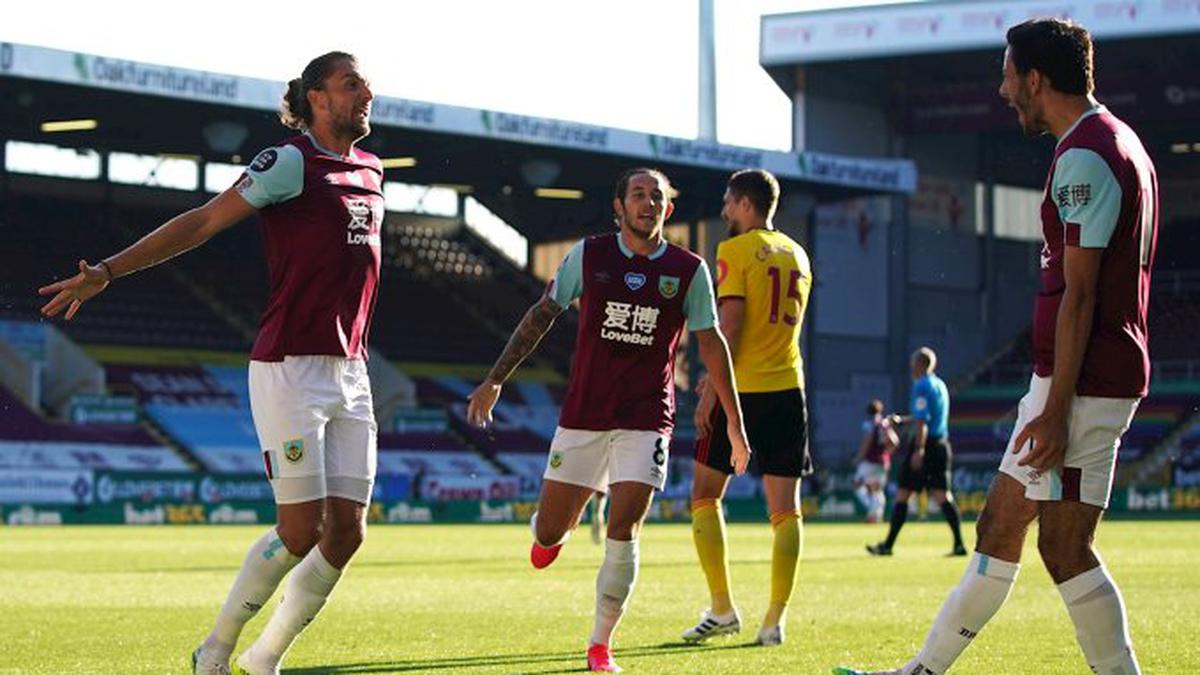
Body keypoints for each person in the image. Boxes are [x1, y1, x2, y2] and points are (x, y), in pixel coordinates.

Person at [40, 52, 384, 675]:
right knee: (301, 529)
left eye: (365, 83)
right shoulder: (288, 162)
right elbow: (202, 221)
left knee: (348, 534)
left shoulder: (371, 168)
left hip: (352, 372)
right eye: (350, 84)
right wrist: (108, 273)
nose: (367, 92)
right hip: (289, 367)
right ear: (315, 98)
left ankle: (262, 660)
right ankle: (216, 650)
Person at [836, 18, 1156, 675]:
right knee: (1066, 548)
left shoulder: (1087, 154)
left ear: (1035, 79)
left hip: (1081, 380)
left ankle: (922, 671)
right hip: (1101, 373)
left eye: (1008, 74)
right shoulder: (1120, 141)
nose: (1002, 89)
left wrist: (1053, 408)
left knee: (1000, 529)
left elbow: (1081, 296)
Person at [467, 167, 751, 673]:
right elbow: (541, 314)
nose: (648, 203)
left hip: (647, 418)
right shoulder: (589, 255)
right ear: (619, 207)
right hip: (583, 415)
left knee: (625, 527)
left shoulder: (689, 270)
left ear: (668, 209)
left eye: (657, 197)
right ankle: (548, 532)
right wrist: (495, 378)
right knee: (552, 532)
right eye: (638, 195)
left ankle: (600, 645)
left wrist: (734, 421)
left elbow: (712, 342)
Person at [681, 169, 813, 647]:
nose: (722, 211)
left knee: (703, 494)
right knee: (786, 511)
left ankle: (721, 609)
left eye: (727, 202)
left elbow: (730, 328)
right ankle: (774, 621)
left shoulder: (733, 251)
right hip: (788, 389)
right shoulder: (798, 253)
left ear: (744, 203)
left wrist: (714, 393)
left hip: (741, 390)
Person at [866, 348, 966, 557]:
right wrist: (903, 420)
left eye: (912, 364)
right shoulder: (939, 384)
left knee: (903, 494)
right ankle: (959, 544)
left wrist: (919, 450)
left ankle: (887, 546)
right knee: (942, 495)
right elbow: (926, 416)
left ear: (919, 365)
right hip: (941, 444)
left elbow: (922, 422)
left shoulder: (921, 386)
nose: (910, 368)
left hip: (925, 445)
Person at [852, 400, 899, 523]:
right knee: (876, 489)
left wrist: (859, 458)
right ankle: (877, 515)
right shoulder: (885, 424)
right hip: (883, 461)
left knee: (857, 485)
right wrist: (886, 453)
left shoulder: (869, 424)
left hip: (870, 460)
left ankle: (872, 510)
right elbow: (895, 442)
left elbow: (867, 442)